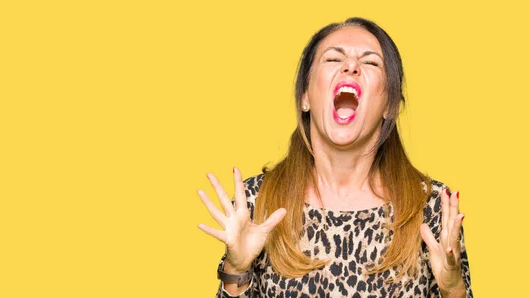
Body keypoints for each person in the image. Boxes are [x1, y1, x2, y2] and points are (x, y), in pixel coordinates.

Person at [197, 17, 472, 297]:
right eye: (333, 59)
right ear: (305, 95)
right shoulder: (258, 202)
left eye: (371, 62)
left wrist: (453, 289)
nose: (351, 66)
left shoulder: (432, 208)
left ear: (389, 104)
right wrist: (236, 267)